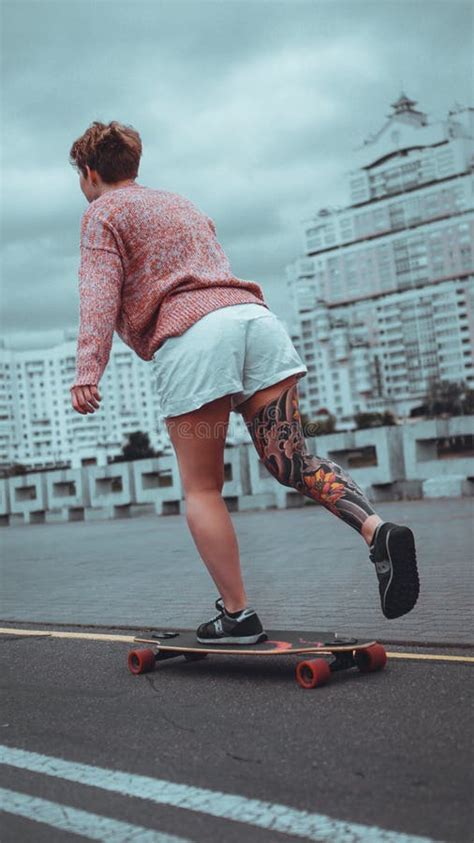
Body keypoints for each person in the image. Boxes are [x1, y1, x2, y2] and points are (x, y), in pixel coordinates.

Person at [69, 120, 420, 644]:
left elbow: (99, 293)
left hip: (195, 339)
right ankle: (377, 532)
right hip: (254, 321)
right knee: (292, 461)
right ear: (134, 164)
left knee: (203, 488)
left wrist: (86, 370)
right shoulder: (180, 203)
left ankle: (237, 615)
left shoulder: (102, 212)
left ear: (90, 172)